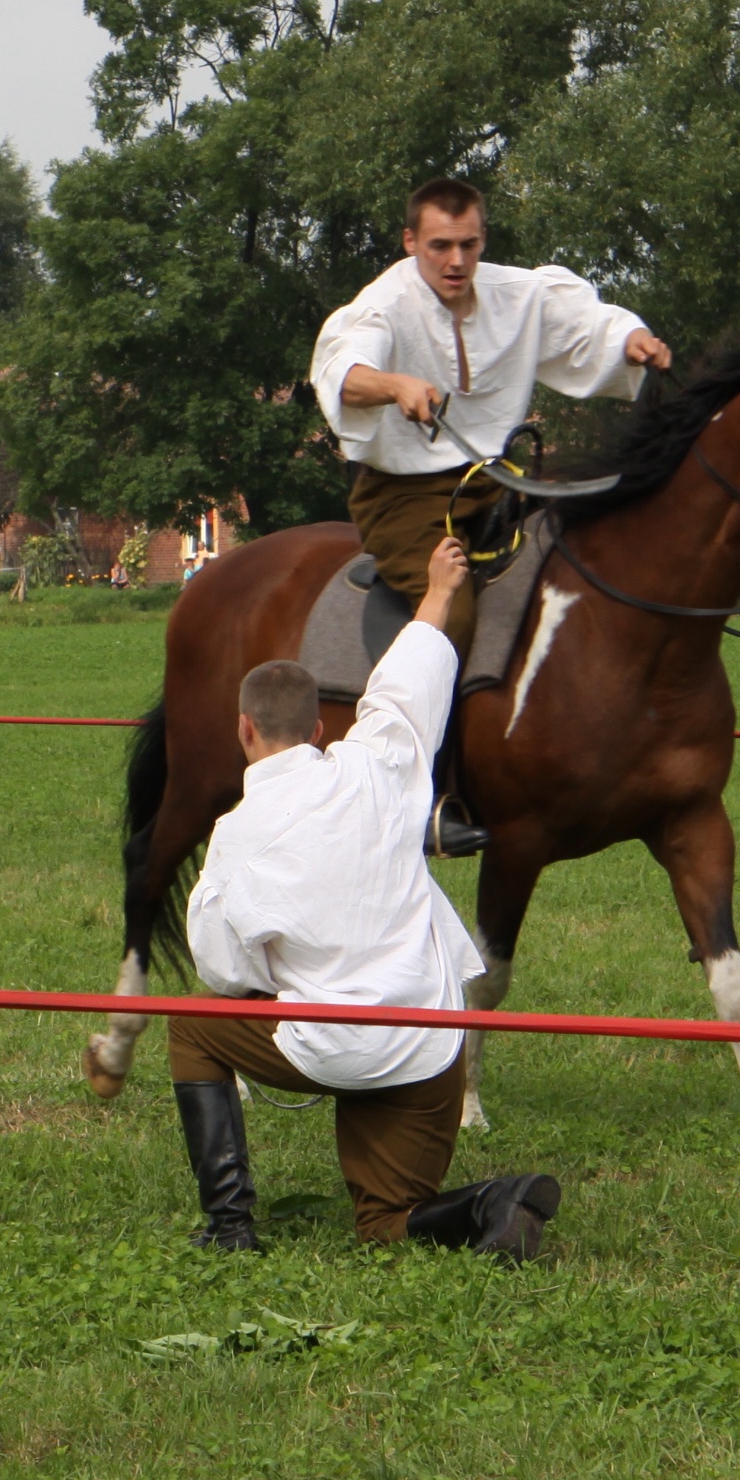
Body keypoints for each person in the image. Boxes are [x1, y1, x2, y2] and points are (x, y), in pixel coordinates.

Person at [169, 534, 564, 1261]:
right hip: (429, 1043)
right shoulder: (378, 762)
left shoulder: (234, 837)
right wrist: (439, 590)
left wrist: (280, 979)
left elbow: (223, 973)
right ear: (320, 729)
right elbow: (408, 679)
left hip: (329, 1047)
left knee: (193, 1027)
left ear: (243, 728)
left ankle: (230, 1227)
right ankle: (492, 1201)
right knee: (385, 1221)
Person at [309, 177, 670, 655]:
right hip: (403, 497)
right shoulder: (383, 306)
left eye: (468, 244)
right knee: (453, 615)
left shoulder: (518, 293)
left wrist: (631, 341)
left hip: (498, 482)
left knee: (588, 561)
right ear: (410, 241)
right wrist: (394, 385)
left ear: (483, 239)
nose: (457, 261)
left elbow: (590, 324)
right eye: (440, 246)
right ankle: (419, 701)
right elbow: (341, 373)